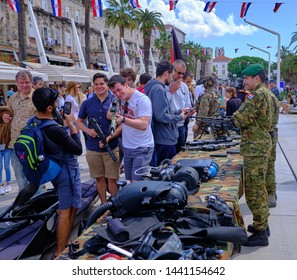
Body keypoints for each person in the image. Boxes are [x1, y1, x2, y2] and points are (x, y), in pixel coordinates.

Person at [31, 87, 82, 257]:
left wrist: (60, 119)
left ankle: (66, 242)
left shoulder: (33, 121)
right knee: (65, 211)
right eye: (55, 101)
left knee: (72, 206)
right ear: (50, 108)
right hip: (65, 170)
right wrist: (71, 123)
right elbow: (77, 149)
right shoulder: (55, 129)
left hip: (52, 168)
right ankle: (59, 253)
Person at [233, 64, 273, 247]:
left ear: (256, 78)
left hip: (255, 148)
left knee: (254, 191)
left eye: (247, 78)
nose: (244, 81)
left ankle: (261, 232)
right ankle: (262, 225)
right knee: (260, 189)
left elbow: (240, 118)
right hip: (259, 145)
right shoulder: (267, 93)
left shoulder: (257, 95)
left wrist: (233, 117)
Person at [77, 73, 120, 203]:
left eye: (102, 83)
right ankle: (103, 205)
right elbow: (79, 121)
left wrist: (110, 137)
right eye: (96, 84)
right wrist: (88, 131)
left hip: (111, 147)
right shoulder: (87, 103)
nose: (99, 86)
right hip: (93, 148)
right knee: (99, 178)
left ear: (107, 85)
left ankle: (114, 205)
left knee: (112, 179)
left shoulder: (116, 100)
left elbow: (122, 125)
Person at [108, 75, 154, 181]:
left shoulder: (142, 99)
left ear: (126, 85)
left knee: (136, 182)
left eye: (119, 90)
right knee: (130, 180)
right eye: (114, 92)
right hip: (127, 146)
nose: (117, 94)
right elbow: (109, 115)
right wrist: (115, 111)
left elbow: (143, 124)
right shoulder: (119, 99)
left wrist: (123, 119)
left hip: (142, 146)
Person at [145, 60, 190, 166]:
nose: (173, 76)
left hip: (164, 136)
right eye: (172, 74)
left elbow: (163, 111)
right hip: (164, 138)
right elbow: (161, 116)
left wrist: (179, 112)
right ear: (166, 74)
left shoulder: (153, 87)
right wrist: (179, 117)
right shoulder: (159, 89)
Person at [7, 70, 37, 192]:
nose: (24, 85)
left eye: (27, 82)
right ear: (17, 84)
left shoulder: (37, 97)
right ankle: (25, 204)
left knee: (34, 177)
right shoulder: (13, 98)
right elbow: (7, 111)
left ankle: (36, 203)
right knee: (19, 176)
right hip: (14, 144)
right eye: (21, 83)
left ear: (31, 82)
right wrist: (4, 115)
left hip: (32, 145)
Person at [166, 59, 192, 153]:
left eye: (183, 74)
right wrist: (171, 91)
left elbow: (188, 104)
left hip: (181, 126)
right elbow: (163, 106)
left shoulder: (184, 86)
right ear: (172, 71)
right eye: (179, 73)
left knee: (180, 153)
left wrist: (188, 111)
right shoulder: (165, 85)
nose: (181, 76)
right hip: (168, 127)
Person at [192, 73, 220, 139]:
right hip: (209, 123)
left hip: (203, 126)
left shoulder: (206, 96)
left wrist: (197, 124)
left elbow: (203, 111)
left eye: (205, 81)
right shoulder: (213, 94)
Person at [0, 106, 13, 195]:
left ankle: (8, 184)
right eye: (6, 115)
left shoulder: (11, 125)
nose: (8, 117)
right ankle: (0, 186)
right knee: (0, 167)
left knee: (7, 166)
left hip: (7, 148)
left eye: (9, 116)